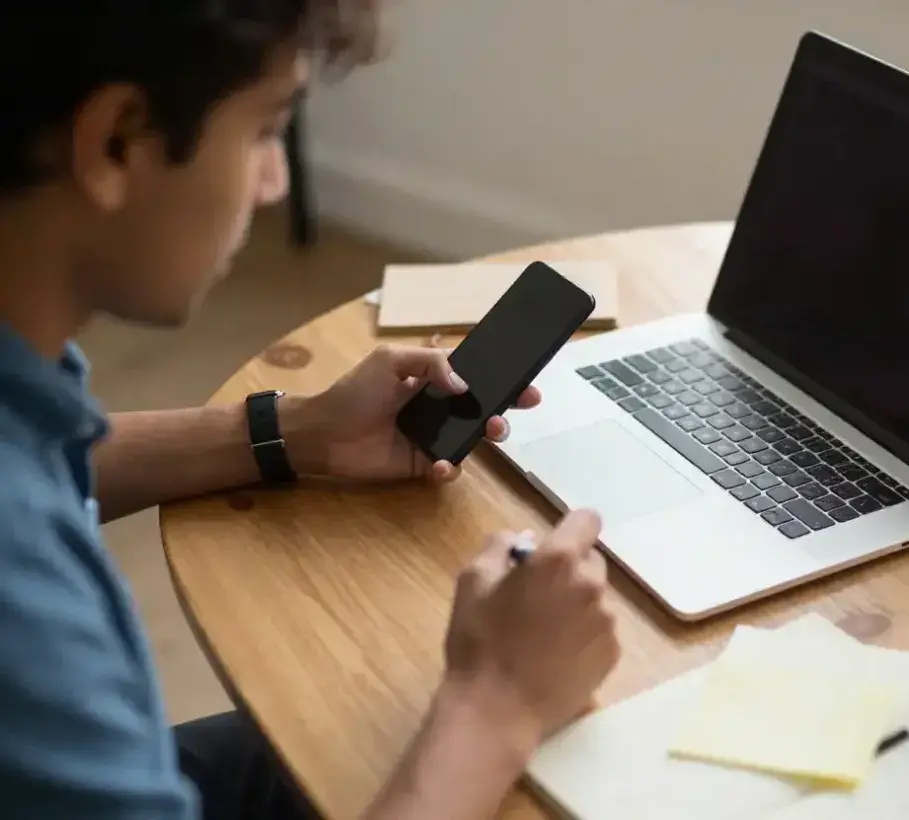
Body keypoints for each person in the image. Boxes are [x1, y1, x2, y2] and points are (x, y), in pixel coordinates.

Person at [0, 3, 620, 819]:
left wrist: (295, 431)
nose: (274, 183)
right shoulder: (26, 607)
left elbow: (41, 463)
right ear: (116, 139)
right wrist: (494, 702)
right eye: (264, 132)